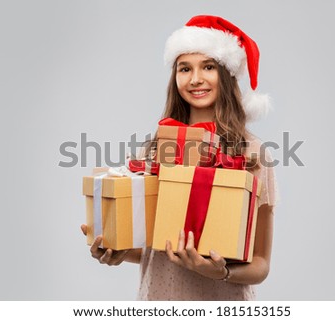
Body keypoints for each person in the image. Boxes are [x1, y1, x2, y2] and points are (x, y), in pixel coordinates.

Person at [81, 15, 278, 300]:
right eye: (185, 68)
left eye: (208, 67)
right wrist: (118, 251)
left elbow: (261, 263)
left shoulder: (252, 154)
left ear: (226, 74)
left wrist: (221, 272)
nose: (196, 79)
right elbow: (155, 248)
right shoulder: (153, 150)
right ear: (175, 78)